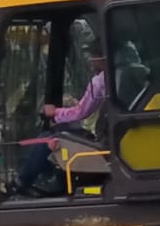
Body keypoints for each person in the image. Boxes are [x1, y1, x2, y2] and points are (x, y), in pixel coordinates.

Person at [15, 45, 108, 195]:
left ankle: (21, 182)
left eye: (93, 58)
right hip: (111, 141)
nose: (91, 63)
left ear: (101, 57)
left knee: (48, 139)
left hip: (105, 146)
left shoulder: (101, 81)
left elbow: (80, 112)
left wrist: (54, 113)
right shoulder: (127, 73)